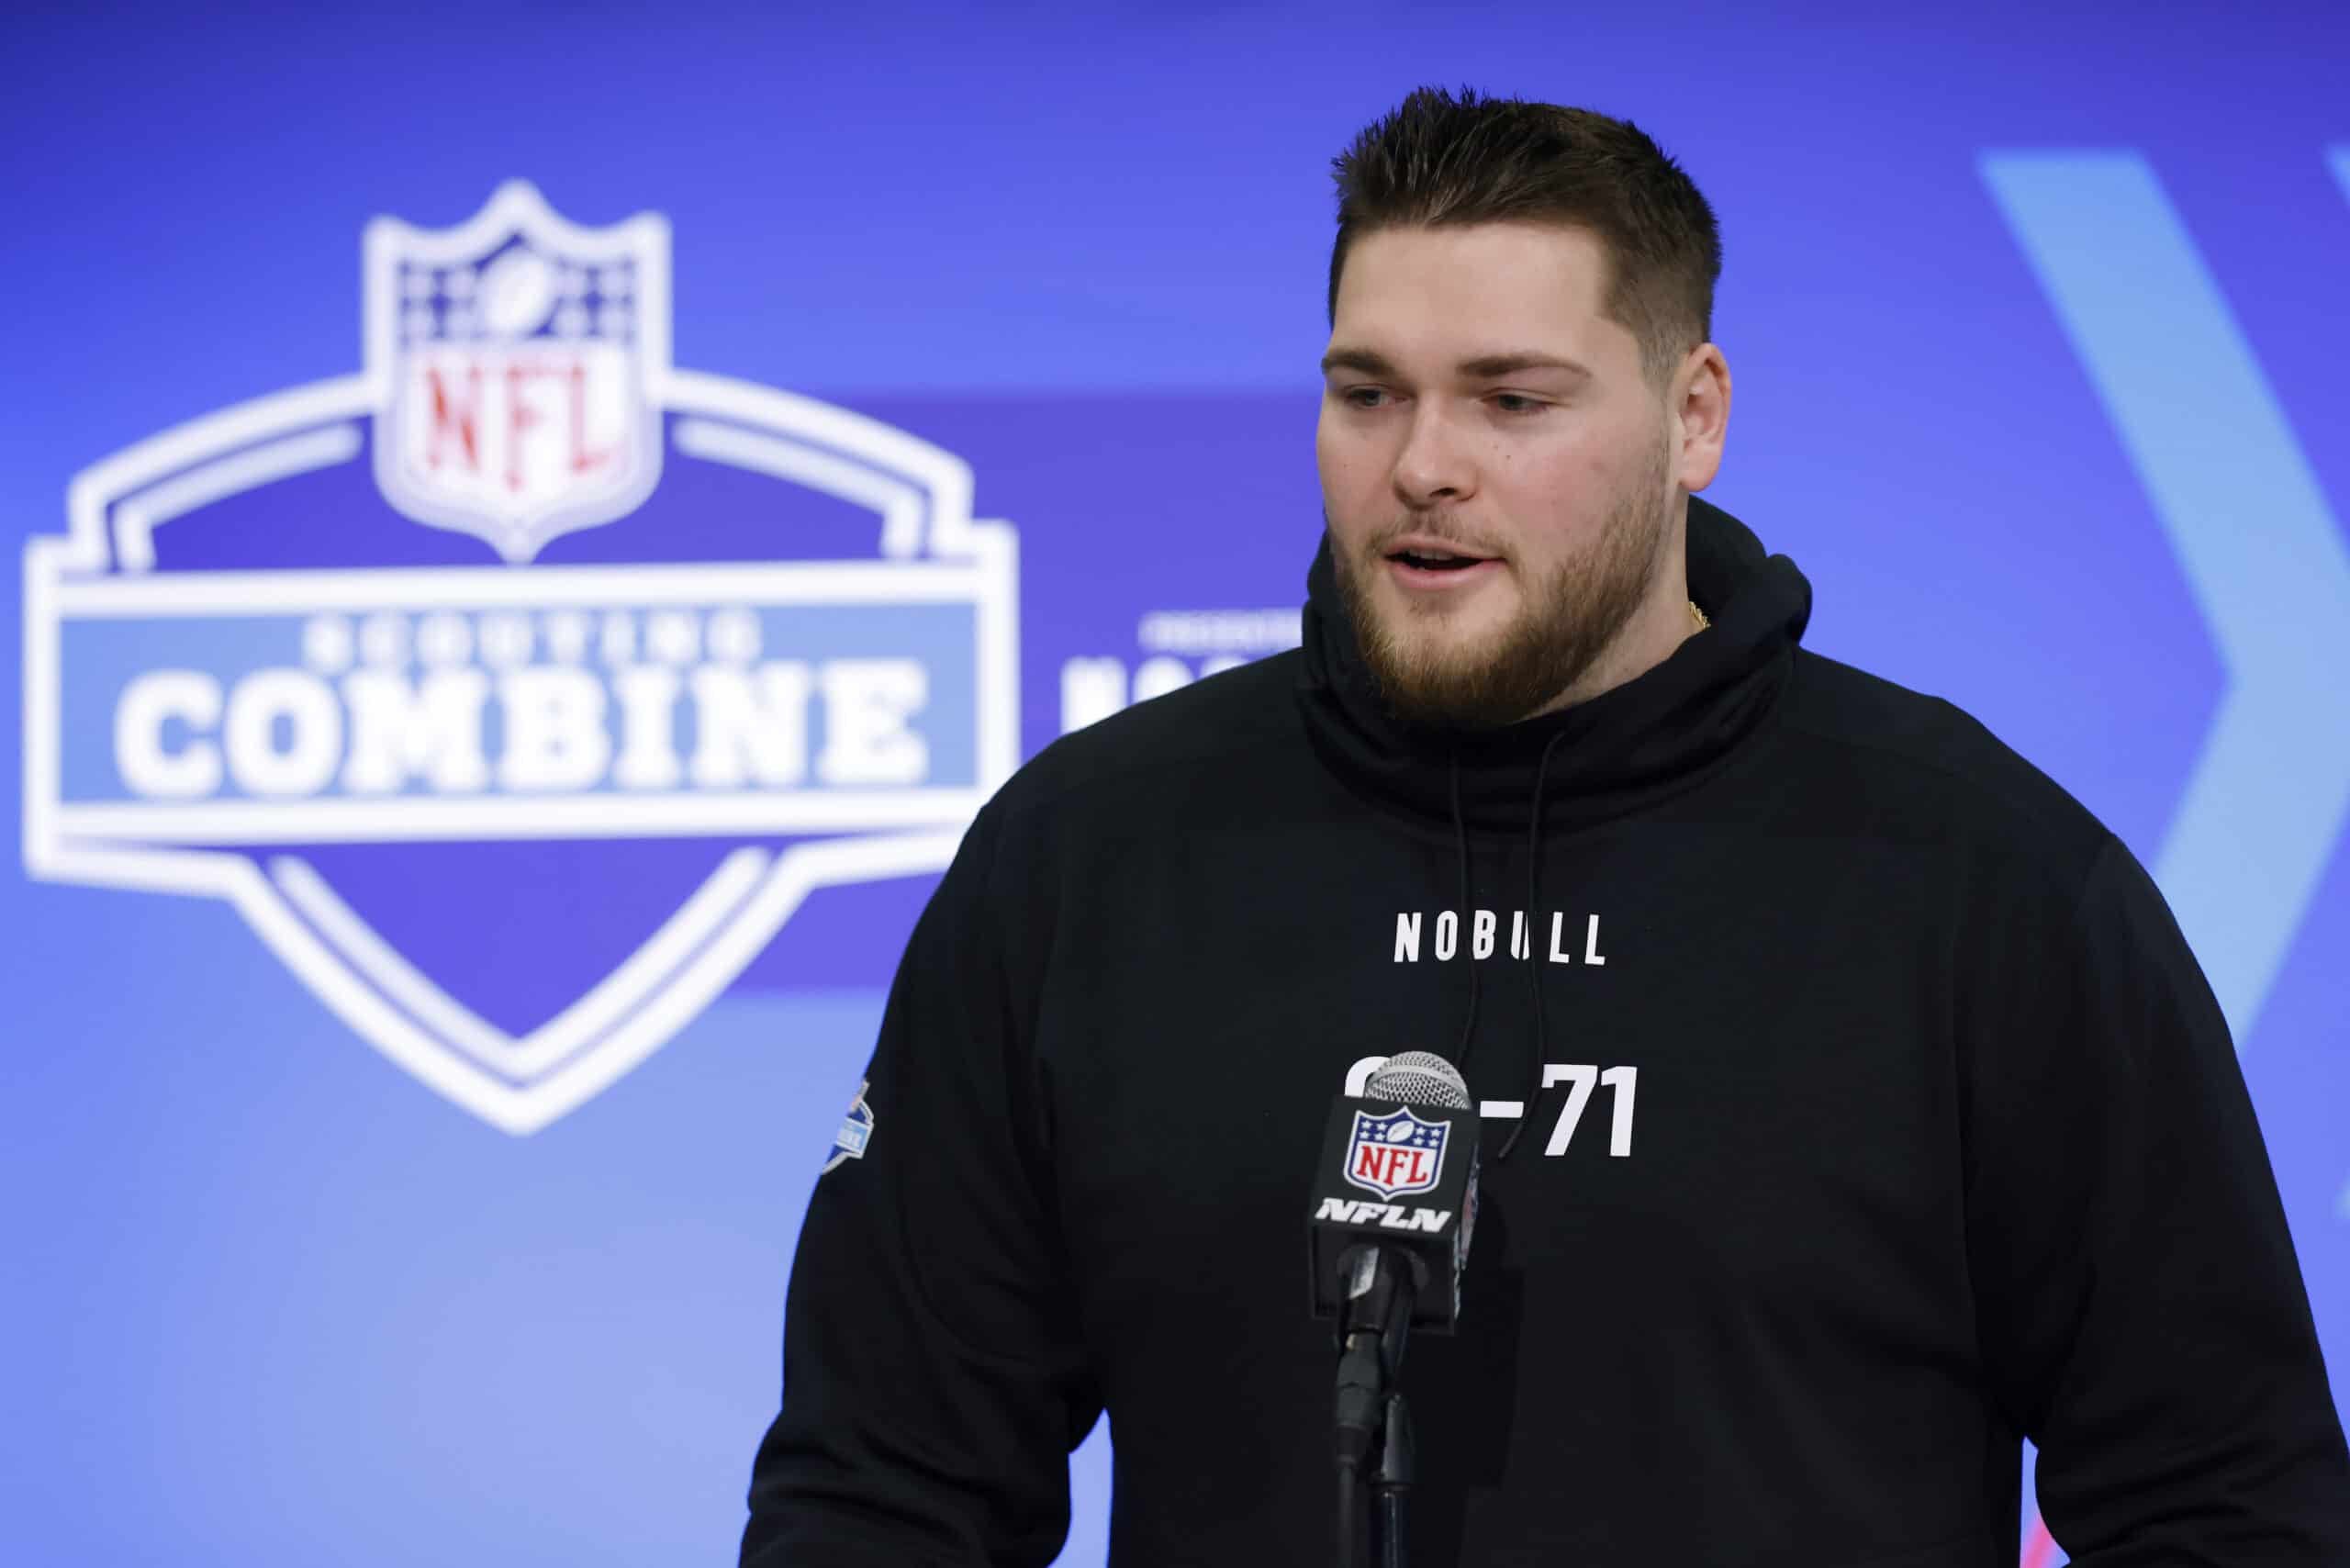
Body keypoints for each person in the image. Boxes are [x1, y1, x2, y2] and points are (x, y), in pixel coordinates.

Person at [740, 87, 2350, 1566]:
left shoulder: (1983, 884)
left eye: (1512, 400)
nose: (1422, 467)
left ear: (1694, 415)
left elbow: (2226, 1502)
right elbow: (887, 1492)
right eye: (1368, 394)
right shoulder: (1088, 860)